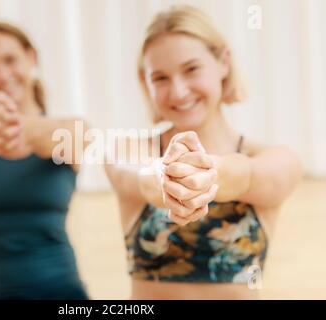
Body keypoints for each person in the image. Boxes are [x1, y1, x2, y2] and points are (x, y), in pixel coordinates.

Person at [105, 6, 302, 299]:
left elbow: (247, 176)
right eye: (160, 78)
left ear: (223, 62)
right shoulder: (126, 150)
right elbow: (143, 179)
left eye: (191, 69)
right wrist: (166, 178)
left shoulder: (277, 159)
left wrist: (210, 173)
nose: (179, 92)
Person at [0, 22, 89, 300]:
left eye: (10, 60)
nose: (2, 74)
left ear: (31, 58)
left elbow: (77, 134)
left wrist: (15, 126)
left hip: (60, 293)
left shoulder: (68, 130)